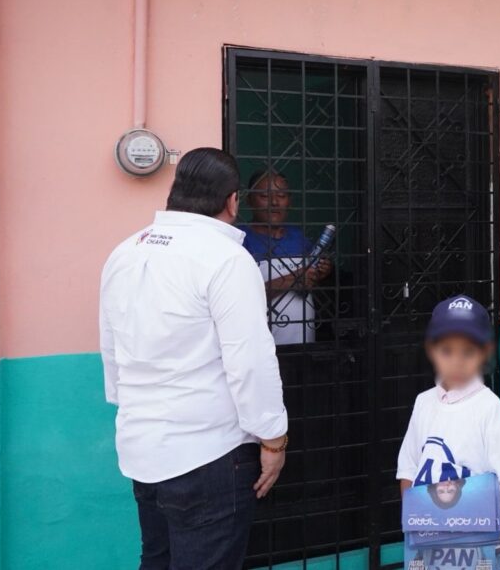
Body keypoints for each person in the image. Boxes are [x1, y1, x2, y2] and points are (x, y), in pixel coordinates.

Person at [99, 148, 289, 570]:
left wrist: (135, 408)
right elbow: (250, 360)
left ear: (176, 192)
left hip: (142, 446)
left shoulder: (125, 252)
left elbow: (111, 346)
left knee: (158, 559)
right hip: (210, 454)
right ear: (232, 200)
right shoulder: (226, 259)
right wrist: (273, 438)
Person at [397, 294, 500, 555]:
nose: (456, 361)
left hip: (475, 542)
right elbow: (408, 468)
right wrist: (418, 522)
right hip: (428, 540)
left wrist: (471, 530)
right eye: (447, 350)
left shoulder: (490, 409)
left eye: (467, 351)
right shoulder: (424, 403)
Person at [242, 170, 331, 345]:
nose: (274, 202)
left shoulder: (298, 237)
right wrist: (292, 280)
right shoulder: (241, 240)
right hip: (261, 349)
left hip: (304, 343)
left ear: (289, 201)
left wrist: (323, 271)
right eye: (265, 196)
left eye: (281, 196)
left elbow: (311, 277)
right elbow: (240, 297)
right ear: (249, 200)